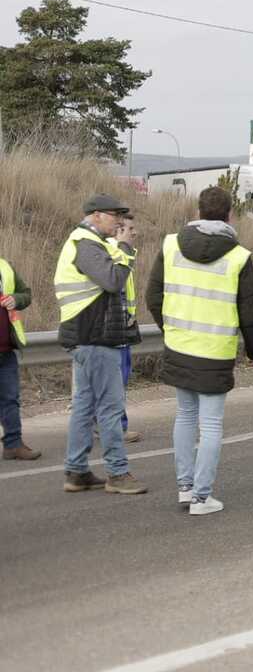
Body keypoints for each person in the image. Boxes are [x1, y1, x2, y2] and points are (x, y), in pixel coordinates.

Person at [146, 186, 253, 515]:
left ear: (198, 213)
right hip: (214, 351)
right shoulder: (238, 256)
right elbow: (251, 313)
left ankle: (185, 489)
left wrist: (170, 329)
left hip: (179, 345)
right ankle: (201, 497)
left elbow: (153, 297)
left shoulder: (171, 246)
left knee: (184, 416)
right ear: (229, 216)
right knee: (210, 425)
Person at [55, 193, 147, 495]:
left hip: (88, 337)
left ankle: (76, 471)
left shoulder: (87, 244)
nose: (119, 221)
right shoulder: (86, 245)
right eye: (113, 215)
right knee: (109, 407)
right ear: (95, 215)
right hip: (95, 337)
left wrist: (120, 250)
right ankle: (117, 473)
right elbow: (112, 281)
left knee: (84, 406)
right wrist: (126, 249)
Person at [102, 213, 144, 444]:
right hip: (114, 328)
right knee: (116, 381)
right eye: (130, 228)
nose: (134, 232)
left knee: (118, 379)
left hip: (123, 326)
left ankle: (105, 423)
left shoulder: (122, 253)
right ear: (119, 231)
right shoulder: (113, 253)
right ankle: (117, 425)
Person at [0, 256, 40, 461]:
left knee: (10, 399)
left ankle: (13, 444)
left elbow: (27, 294)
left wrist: (16, 299)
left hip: (6, 350)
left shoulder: (5, 266)